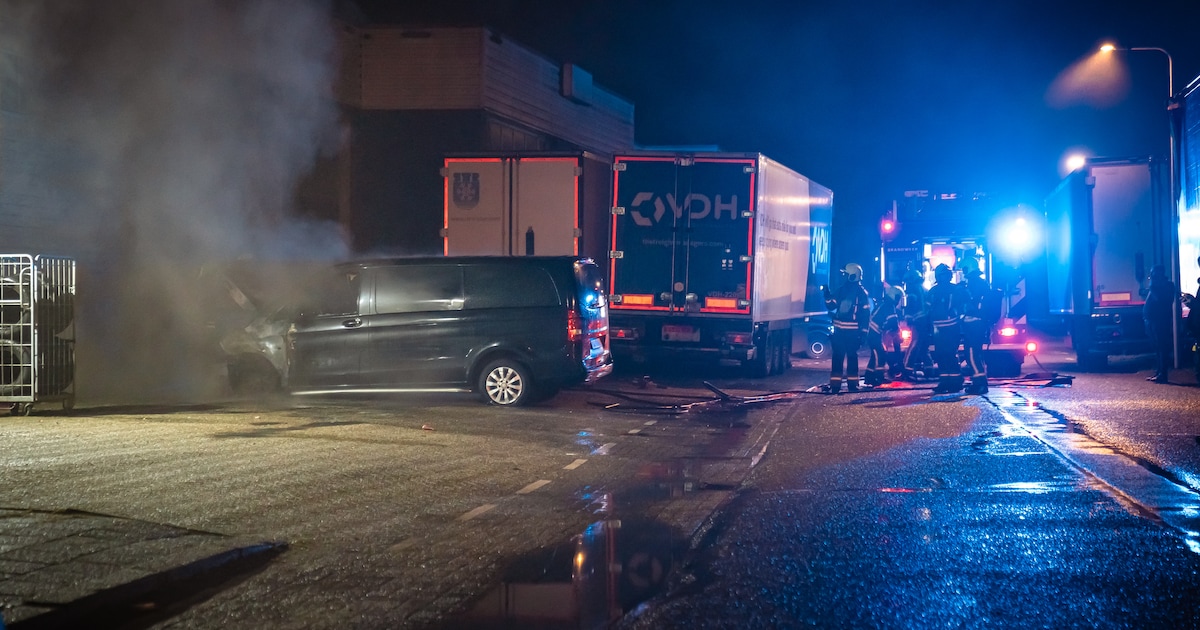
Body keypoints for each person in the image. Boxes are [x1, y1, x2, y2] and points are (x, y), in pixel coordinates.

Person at [825, 262, 871, 394]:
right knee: (852, 358)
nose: (844, 276)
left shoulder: (842, 290)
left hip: (840, 332)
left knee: (838, 358)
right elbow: (865, 315)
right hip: (853, 333)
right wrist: (863, 333)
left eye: (846, 274)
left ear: (852, 276)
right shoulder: (862, 293)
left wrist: (826, 294)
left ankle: (835, 386)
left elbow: (831, 306)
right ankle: (852, 385)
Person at [926, 263, 969, 394]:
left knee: (949, 354)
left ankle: (956, 382)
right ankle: (945, 381)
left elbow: (963, 306)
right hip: (939, 329)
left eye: (946, 274)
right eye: (943, 275)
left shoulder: (956, 290)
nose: (945, 277)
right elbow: (928, 310)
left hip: (951, 328)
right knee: (941, 355)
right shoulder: (933, 291)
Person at [959, 256, 992, 395]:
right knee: (977, 353)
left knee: (971, 353)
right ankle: (979, 382)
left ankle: (979, 384)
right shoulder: (981, 282)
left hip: (973, 323)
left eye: (964, 268)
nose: (962, 271)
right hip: (979, 322)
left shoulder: (974, 283)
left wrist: (961, 290)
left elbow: (969, 301)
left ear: (968, 268)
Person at [1143, 264, 1176, 384]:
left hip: (1161, 321)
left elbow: (1160, 299)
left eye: (1153, 273)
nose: (1151, 275)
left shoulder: (1167, 285)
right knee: (1157, 347)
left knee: (1162, 347)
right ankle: (1158, 372)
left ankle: (1163, 374)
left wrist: (1153, 286)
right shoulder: (1156, 285)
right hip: (1152, 320)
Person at [864, 283, 901, 386]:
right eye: (898, 298)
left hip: (872, 333)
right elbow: (893, 321)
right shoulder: (889, 306)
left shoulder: (885, 304)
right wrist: (897, 330)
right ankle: (878, 378)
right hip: (874, 334)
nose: (899, 301)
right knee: (881, 354)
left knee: (875, 356)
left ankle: (869, 377)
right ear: (895, 296)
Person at [901, 267, 931, 377]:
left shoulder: (912, 290)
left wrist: (908, 319)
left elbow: (910, 307)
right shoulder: (925, 289)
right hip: (926, 322)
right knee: (923, 346)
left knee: (914, 344)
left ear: (911, 280)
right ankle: (929, 369)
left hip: (918, 322)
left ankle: (906, 369)